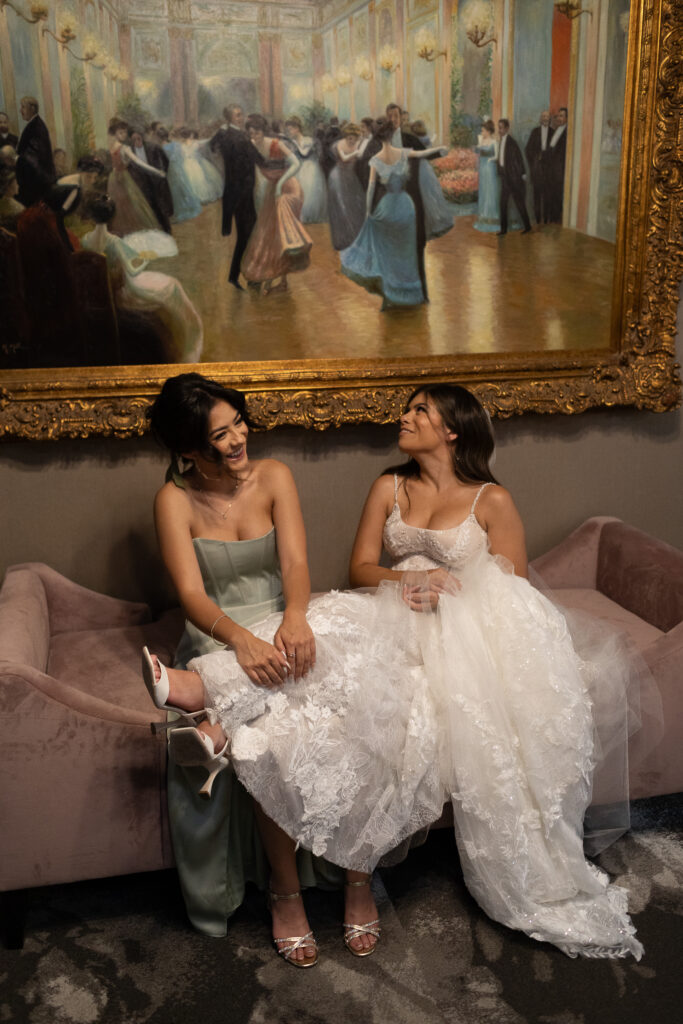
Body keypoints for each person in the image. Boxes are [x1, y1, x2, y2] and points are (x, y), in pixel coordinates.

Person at [146, 382, 651, 961]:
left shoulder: (493, 500)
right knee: (300, 699)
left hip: (456, 630)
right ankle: (217, 719)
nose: (404, 416)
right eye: (221, 432)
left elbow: (511, 596)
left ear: (452, 429)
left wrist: (438, 596)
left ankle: (210, 709)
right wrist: (408, 580)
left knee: (362, 699)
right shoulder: (388, 486)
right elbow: (360, 569)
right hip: (368, 615)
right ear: (191, 450)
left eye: (419, 410)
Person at [141, 373, 375, 963]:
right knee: (268, 742)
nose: (239, 438)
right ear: (189, 451)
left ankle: (358, 880)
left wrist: (295, 616)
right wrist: (242, 641)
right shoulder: (173, 499)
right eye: (220, 435)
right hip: (221, 633)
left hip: (283, 618)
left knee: (349, 716)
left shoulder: (275, 476)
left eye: (238, 423)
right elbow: (192, 595)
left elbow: (296, 561)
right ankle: (286, 893)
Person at [82, 194, 202, 363]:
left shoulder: (85, 240)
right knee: (172, 285)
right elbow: (131, 270)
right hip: (121, 290)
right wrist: (145, 260)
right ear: (111, 217)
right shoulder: (114, 242)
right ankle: (189, 339)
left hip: (100, 290)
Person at [341, 120, 446, 309]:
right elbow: (423, 153)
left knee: (389, 254)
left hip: (387, 207)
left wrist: (367, 212)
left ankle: (390, 295)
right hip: (406, 207)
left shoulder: (376, 160)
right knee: (407, 253)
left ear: (379, 138)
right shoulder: (403, 153)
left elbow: (371, 189)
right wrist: (440, 149)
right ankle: (412, 294)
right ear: (391, 136)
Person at [240, 113, 311, 295]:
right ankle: (280, 279)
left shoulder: (276, 144)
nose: (253, 137)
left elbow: (296, 163)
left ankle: (275, 279)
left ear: (263, 131)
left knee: (281, 234)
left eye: (256, 133)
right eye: (251, 134)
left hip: (287, 188)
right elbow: (254, 171)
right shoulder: (251, 147)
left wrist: (280, 183)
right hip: (273, 190)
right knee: (270, 235)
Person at [210, 104, 258, 290]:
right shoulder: (240, 138)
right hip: (243, 193)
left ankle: (237, 275)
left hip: (237, 192)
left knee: (246, 236)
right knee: (248, 235)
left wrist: (221, 130)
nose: (241, 117)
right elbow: (258, 159)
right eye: (237, 115)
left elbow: (212, 146)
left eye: (241, 114)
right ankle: (248, 275)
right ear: (230, 118)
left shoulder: (226, 135)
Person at [106, 119, 167, 236]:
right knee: (130, 206)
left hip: (113, 179)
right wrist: (157, 171)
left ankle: (124, 232)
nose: (123, 135)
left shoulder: (112, 147)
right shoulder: (124, 148)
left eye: (124, 132)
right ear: (114, 134)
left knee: (122, 206)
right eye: (120, 133)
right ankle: (129, 232)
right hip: (122, 179)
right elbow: (139, 162)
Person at [326, 123, 365, 250]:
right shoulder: (339, 144)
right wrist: (357, 152)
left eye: (353, 138)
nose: (351, 140)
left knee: (354, 207)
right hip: (338, 177)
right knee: (341, 206)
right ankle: (342, 239)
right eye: (349, 138)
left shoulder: (360, 143)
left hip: (351, 177)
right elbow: (344, 158)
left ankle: (354, 237)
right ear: (345, 136)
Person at [127, 129, 174, 234]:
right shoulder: (130, 151)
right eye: (134, 140)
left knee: (161, 208)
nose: (137, 142)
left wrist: (160, 176)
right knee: (149, 209)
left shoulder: (154, 147)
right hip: (142, 184)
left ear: (142, 138)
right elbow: (130, 168)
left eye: (139, 139)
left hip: (157, 183)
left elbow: (166, 162)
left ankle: (167, 231)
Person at [283, 116, 327, 223]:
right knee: (298, 191)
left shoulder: (310, 140)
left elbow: (317, 156)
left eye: (290, 130)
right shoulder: (290, 144)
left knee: (310, 191)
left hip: (311, 170)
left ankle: (309, 215)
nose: (289, 133)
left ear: (297, 128)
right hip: (297, 170)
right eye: (287, 131)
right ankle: (300, 215)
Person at [15, 97, 55, 207]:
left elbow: (33, 157)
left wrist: (16, 159)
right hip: (37, 179)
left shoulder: (36, 127)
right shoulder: (35, 124)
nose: (20, 111)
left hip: (36, 183)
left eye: (23, 107)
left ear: (32, 108)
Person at [496, 118, 532, 235]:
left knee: (519, 203)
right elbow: (501, 159)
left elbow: (519, 160)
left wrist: (522, 174)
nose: (499, 130)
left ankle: (527, 226)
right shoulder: (501, 141)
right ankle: (503, 229)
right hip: (505, 178)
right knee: (503, 204)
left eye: (501, 128)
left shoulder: (512, 143)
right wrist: (500, 170)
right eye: (499, 128)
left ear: (507, 129)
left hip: (514, 179)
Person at [525, 110, 552, 225]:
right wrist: (535, 159)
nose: (545, 118)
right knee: (536, 196)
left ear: (550, 119)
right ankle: (537, 219)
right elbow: (527, 149)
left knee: (547, 196)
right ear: (541, 119)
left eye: (547, 117)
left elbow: (555, 153)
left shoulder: (553, 133)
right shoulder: (535, 132)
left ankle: (546, 220)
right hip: (537, 169)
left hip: (548, 171)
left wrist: (547, 158)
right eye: (543, 117)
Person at [473, 120, 501, 233]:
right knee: (484, 191)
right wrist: (479, 142)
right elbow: (477, 151)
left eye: (483, 130)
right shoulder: (482, 141)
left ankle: (492, 216)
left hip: (490, 168)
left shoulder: (494, 142)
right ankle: (483, 215)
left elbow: (497, 157)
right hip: (483, 168)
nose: (482, 132)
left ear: (488, 131)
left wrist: (490, 159)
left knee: (491, 191)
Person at [548, 107, 568, 223]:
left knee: (557, 193)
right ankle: (552, 217)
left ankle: (556, 218)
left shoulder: (567, 133)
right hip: (551, 168)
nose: (559, 118)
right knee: (551, 192)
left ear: (566, 118)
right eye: (558, 116)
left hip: (559, 169)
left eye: (562, 116)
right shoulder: (556, 130)